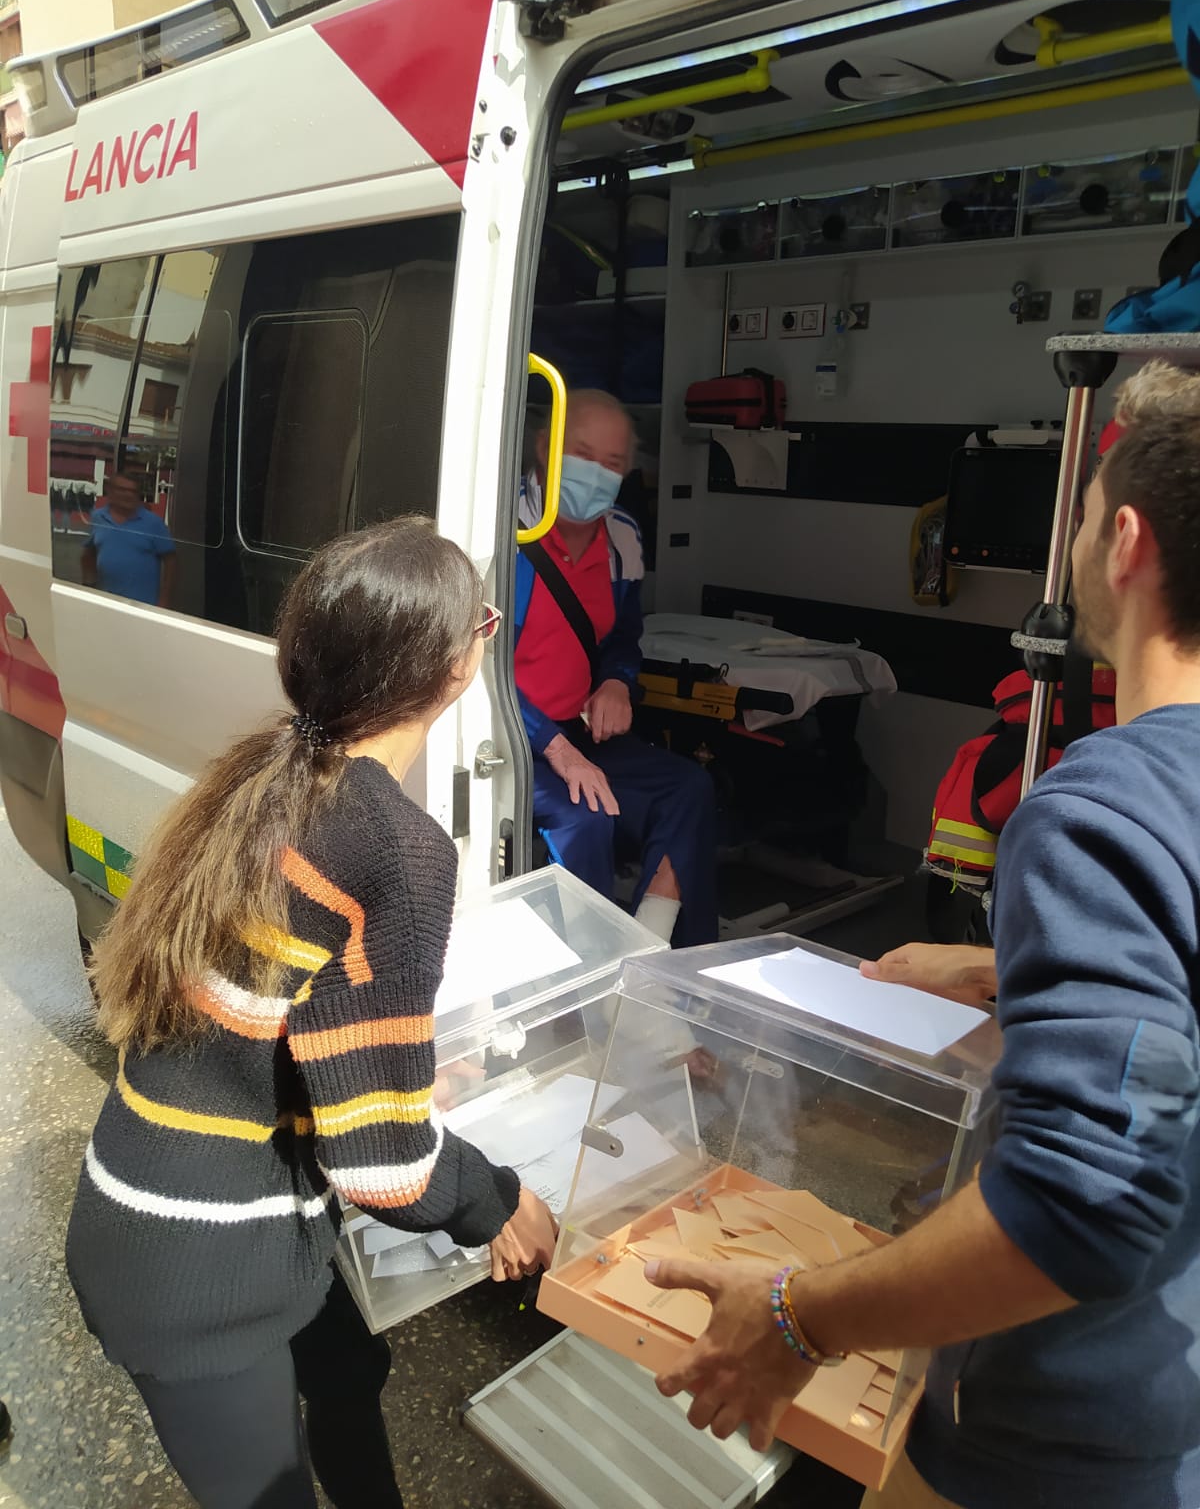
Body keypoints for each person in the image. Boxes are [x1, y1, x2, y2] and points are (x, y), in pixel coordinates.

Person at [642, 358, 1200, 1509]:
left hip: (1069, 1444)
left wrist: (798, 1317)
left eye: (1082, 515)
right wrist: (1008, 969)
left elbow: (1080, 1209)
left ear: (1125, 543)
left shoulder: (1105, 808)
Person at [65, 516, 557, 1509]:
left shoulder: (271, 774)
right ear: (461, 662)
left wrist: (408, 1086)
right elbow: (383, 1169)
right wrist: (500, 1201)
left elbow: (272, 1025)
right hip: (195, 1267)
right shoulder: (396, 846)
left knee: (346, 1372)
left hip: (189, 1205)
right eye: (486, 623)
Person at [515, 389, 717, 947]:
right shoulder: (505, 533)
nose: (596, 474)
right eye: (583, 455)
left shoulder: (622, 537)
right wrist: (557, 749)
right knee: (585, 817)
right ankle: (590, 971)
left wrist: (615, 681)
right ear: (545, 448)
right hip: (513, 739)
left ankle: (655, 948)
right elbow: (476, 664)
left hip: (581, 734)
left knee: (688, 788)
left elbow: (623, 635)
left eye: (612, 463)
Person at [81, 471, 177, 607]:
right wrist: (89, 588)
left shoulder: (153, 523)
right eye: (123, 490)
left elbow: (171, 562)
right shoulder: (98, 517)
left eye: (133, 491)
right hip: (106, 603)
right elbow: (88, 554)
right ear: (110, 491)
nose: (128, 495)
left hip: (142, 607)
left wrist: (164, 600)